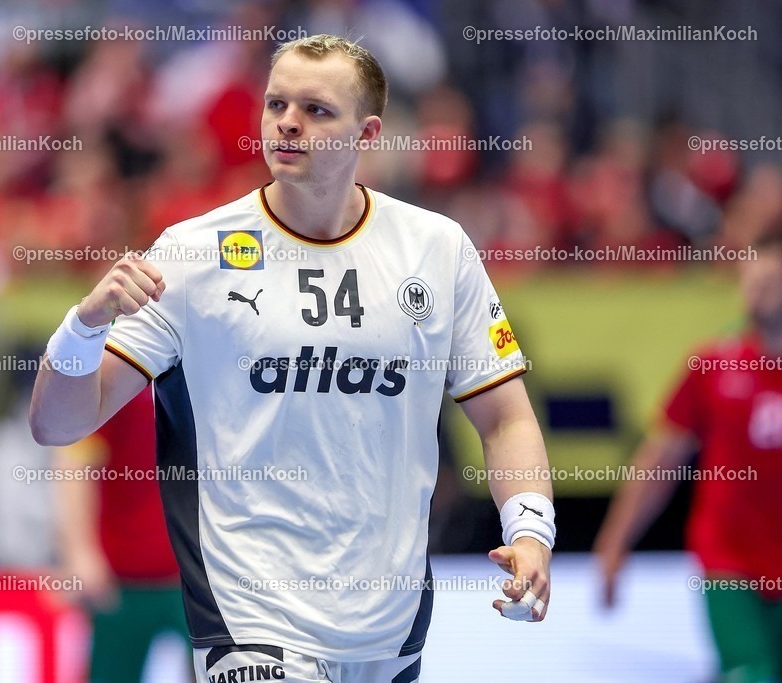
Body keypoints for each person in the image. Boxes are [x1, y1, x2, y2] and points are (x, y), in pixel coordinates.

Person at [31, 35, 555, 682]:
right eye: (276, 103)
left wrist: (531, 530)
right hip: (250, 617)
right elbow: (57, 424)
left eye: (316, 109)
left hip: (390, 622)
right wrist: (83, 328)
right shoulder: (192, 254)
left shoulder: (437, 249)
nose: (287, 122)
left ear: (367, 133)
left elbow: (505, 417)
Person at [594, 231, 782, 683]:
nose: (757, 291)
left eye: (771, 282)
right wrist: (615, 541)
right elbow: (660, 461)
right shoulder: (712, 365)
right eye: (751, 281)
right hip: (729, 560)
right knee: (751, 672)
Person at [54, 388, 190, 682]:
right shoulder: (123, 375)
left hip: (197, 578)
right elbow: (76, 464)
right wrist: (80, 551)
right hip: (123, 578)